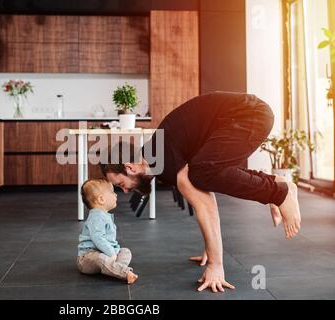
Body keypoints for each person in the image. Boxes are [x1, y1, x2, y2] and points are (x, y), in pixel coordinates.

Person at [100, 91, 301, 293]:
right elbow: (206, 190)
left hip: (250, 114)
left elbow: (205, 205)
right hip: (245, 115)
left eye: (121, 184)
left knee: (202, 172)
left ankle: (278, 192)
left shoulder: (162, 159)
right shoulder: (158, 157)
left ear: (130, 167)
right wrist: (209, 248)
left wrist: (216, 265)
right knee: (205, 171)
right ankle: (277, 182)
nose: (125, 191)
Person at [77, 178, 138, 284]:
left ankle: (111, 268)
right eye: (112, 192)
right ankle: (123, 272)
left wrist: (115, 251)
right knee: (100, 258)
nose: (116, 195)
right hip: (88, 258)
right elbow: (98, 238)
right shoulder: (97, 216)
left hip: (105, 254)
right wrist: (111, 252)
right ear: (101, 199)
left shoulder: (104, 215)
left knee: (125, 252)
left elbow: (109, 241)